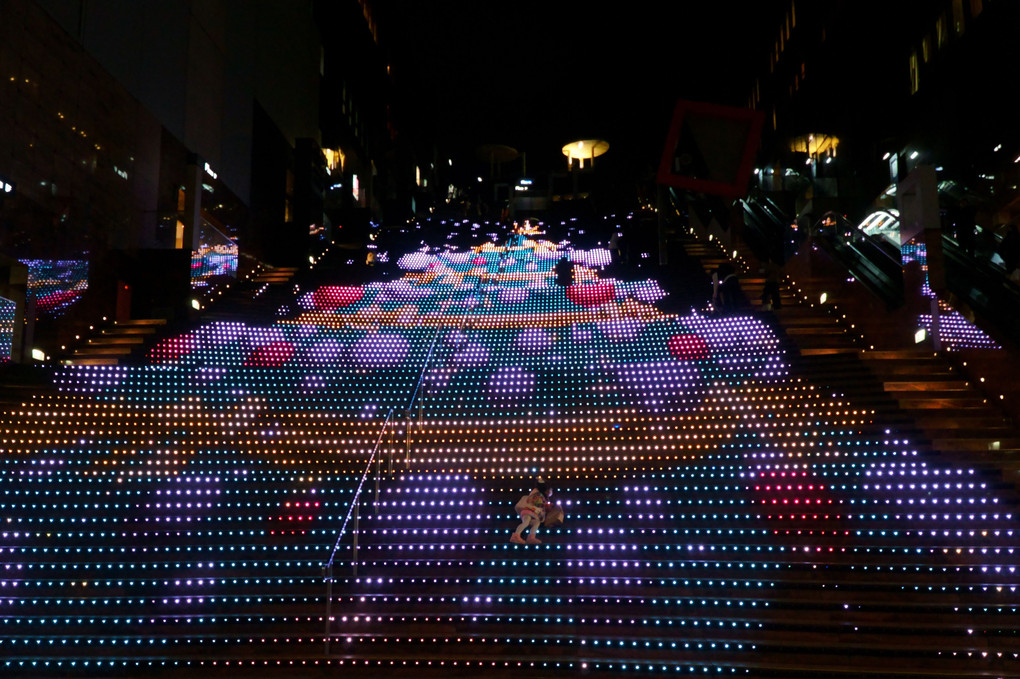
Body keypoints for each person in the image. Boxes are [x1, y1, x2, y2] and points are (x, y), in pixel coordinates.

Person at [510, 477, 550, 545]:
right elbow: (536, 502)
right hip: (528, 510)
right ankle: (516, 536)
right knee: (526, 522)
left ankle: (531, 537)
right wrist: (544, 505)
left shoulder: (540, 496)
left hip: (532, 513)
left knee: (536, 522)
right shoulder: (536, 493)